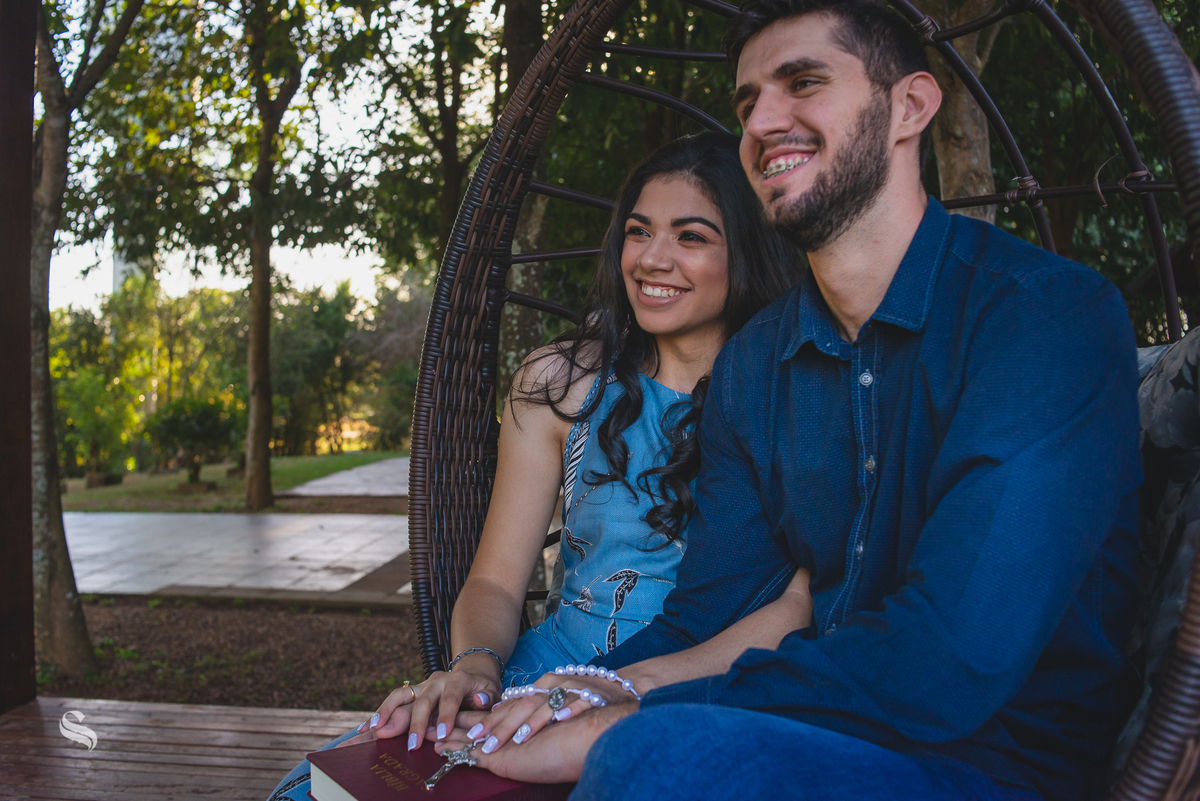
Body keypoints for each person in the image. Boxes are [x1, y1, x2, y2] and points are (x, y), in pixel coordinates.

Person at [438, 2, 1141, 800]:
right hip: (789, 728)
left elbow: (951, 657)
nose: (763, 122)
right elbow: (705, 614)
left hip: (990, 762)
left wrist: (629, 720)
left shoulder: (1041, 318)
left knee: (649, 757)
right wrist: (569, 696)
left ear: (910, 106)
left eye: (803, 82)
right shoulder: (757, 362)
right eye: (748, 103)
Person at [265, 132, 809, 801]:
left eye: (691, 236)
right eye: (639, 232)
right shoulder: (562, 383)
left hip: (692, 693)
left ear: (745, 252)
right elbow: (496, 580)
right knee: (319, 792)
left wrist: (623, 688)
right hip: (538, 684)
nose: (652, 258)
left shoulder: (796, 402)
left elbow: (800, 605)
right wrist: (474, 668)